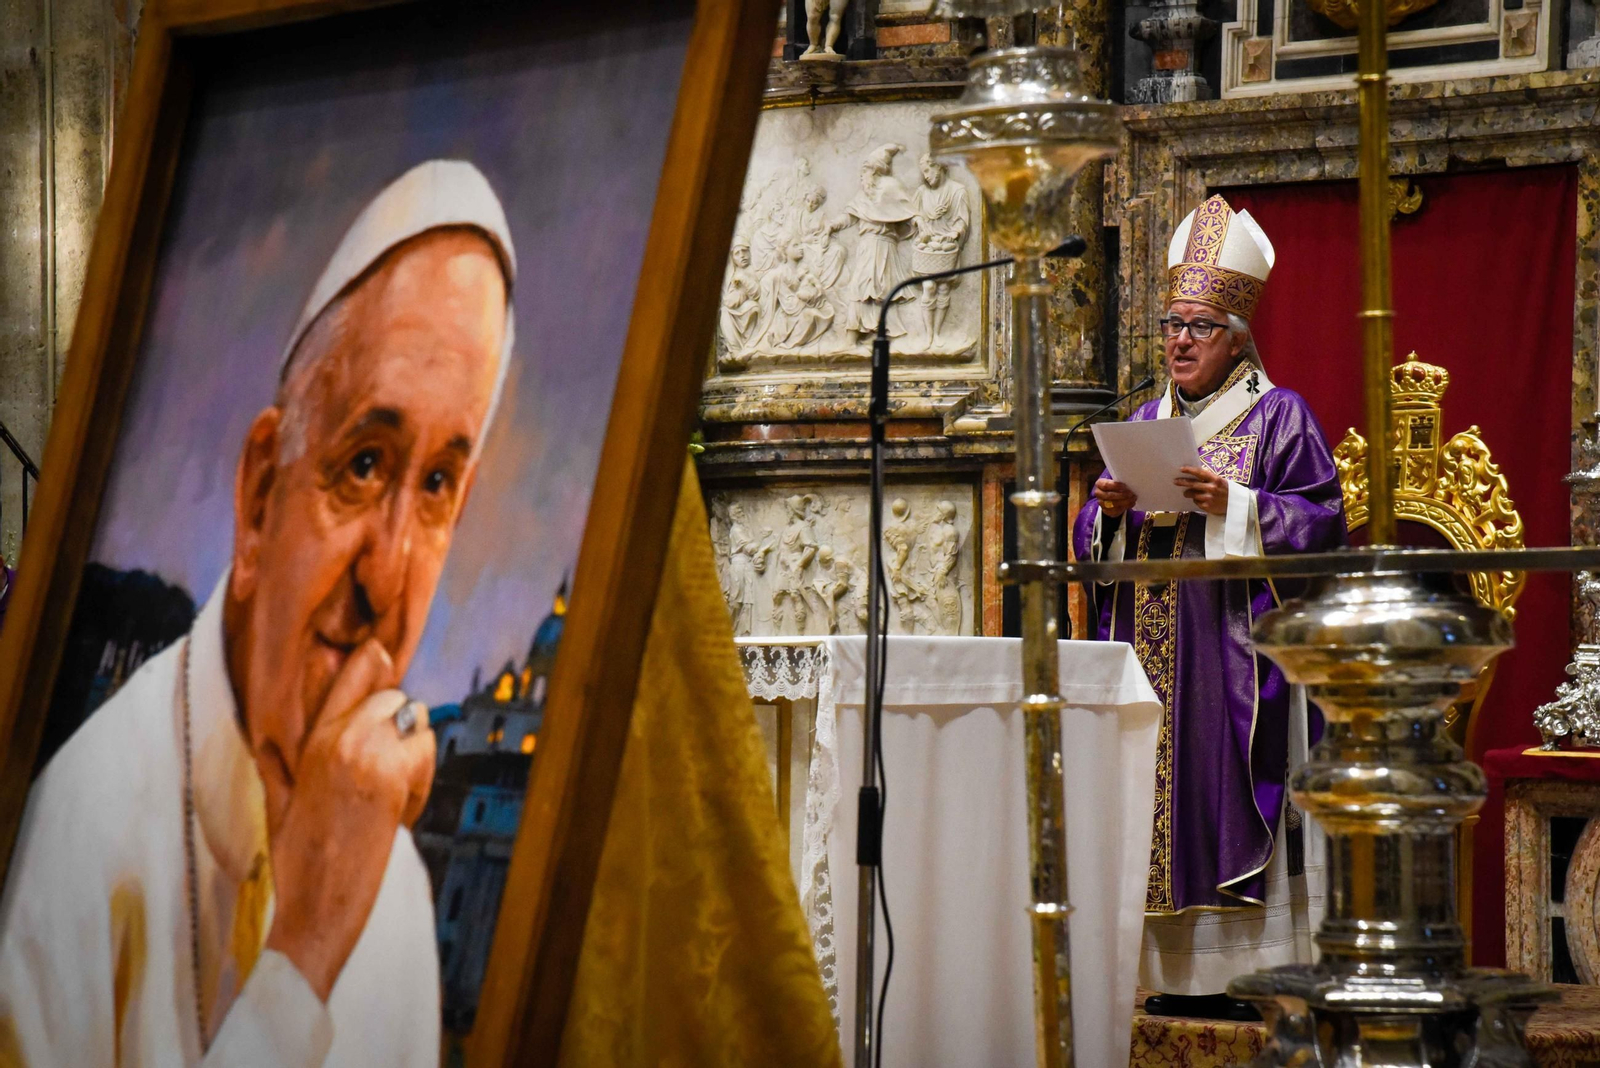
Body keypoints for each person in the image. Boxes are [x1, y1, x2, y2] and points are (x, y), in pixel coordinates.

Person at [0, 159, 517, 1065]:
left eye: (438, 484)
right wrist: (304, 956)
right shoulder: (80, 833)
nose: (389, 579)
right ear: (256, 499)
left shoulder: (389, 881)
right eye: (364, 463)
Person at [1071, 194, 1345, 1018]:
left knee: (1221, 804)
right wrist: (1108, 515)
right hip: (1149, 662)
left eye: (1199, 326)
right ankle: (1167, 972)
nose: (1180, 341)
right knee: (1149, 806)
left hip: (1233, 663)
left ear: (1236, 338)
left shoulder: (1278, 417)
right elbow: (1093, 548)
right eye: (1172, 325)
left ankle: (1241, 973)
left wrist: (1233, 503)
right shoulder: (1144, 422)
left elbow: (1322, 527)